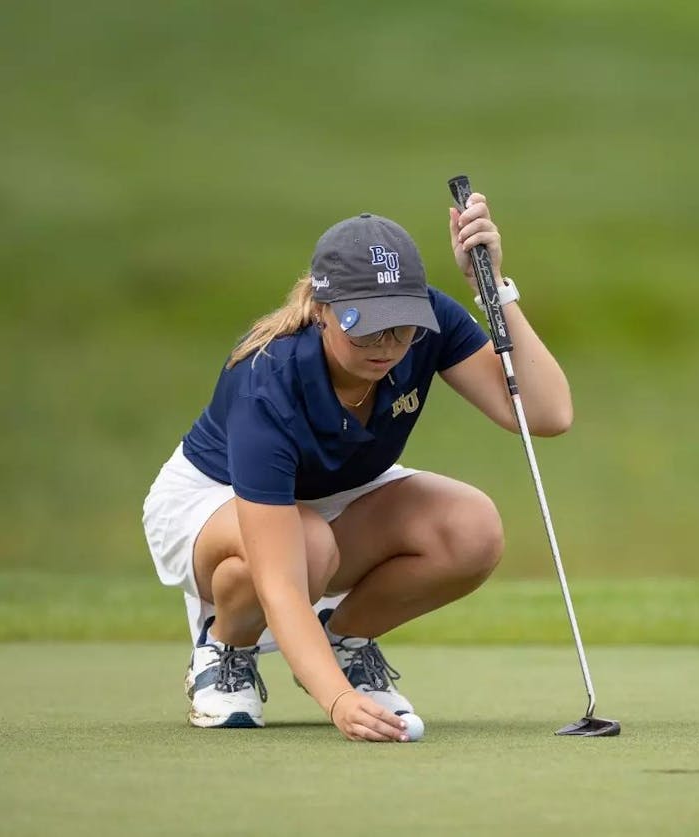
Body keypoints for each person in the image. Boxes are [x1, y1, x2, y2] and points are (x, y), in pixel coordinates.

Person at [141, 193, 572, 741]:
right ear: (322, 308)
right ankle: (225, 648)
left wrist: (494, 290)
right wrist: (337, 703)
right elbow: (280, 577)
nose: (386, 346)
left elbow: (548, 413)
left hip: (338, 488)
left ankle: (345, 641)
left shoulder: (430, 322)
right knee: (307, 549)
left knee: (471, 529)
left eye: (400, 328)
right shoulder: (267, 379)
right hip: (211, 500)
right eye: (363, 326)